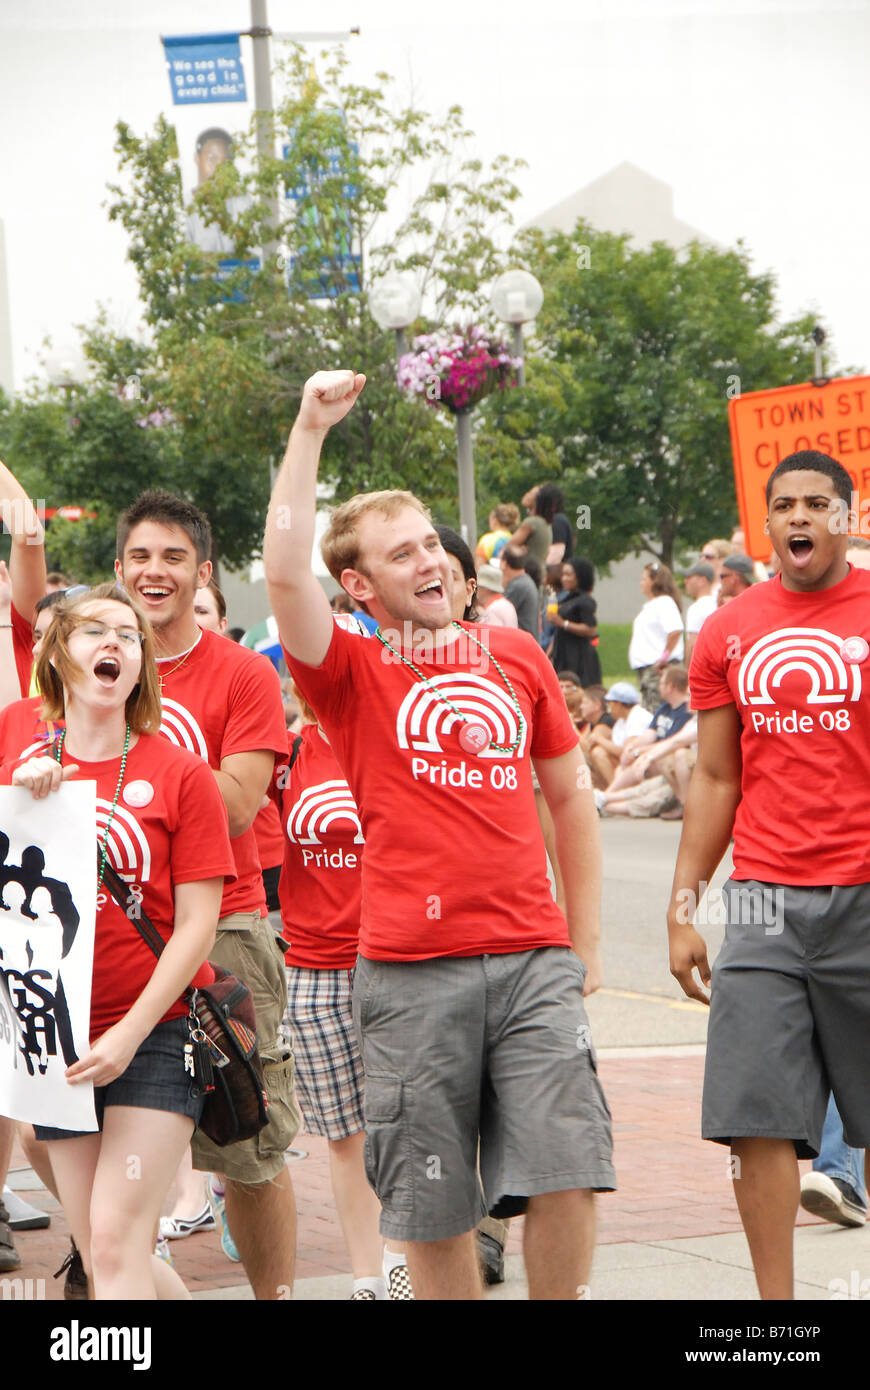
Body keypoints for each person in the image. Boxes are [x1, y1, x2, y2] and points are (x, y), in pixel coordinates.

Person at [264, 369, 615, 1302]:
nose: (428, 560)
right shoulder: (348, 668)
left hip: (534, 958)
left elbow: (569, 800)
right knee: (432, 1199)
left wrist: (582, 941)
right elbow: (283, 569)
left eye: (431, 541)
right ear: (359, 584)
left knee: (568, 1165)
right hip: (412, 971)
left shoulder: (516, 653)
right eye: (400, 552)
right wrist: (308, 432)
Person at [667, 448, 870, 1300]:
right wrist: (685, 904)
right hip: (761, 898)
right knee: (755, 1120)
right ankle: (778, 1320)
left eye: (817, 503)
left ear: (848, 518)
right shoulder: (729, 628)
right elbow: (716, 777)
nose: (798, 518)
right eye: (783, 504)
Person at [2, 583, 235, 1298]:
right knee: (107, 1255)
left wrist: (131, 1035)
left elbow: (198, 924)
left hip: (155, 1035)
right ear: (56, 656)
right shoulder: (20, 769)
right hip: (54, 1038)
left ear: (141, 666)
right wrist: (20, 796)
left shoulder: (181, 775)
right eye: (95, 631)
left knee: (113, 1236)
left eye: (129, 636)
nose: (114, 644)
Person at [114, 491, 299, 1299]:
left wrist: (133, 762)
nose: (156, 572)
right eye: (142, 558)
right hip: (109, 938)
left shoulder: (243, 673)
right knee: (83, 1136)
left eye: (174, 557)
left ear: (204, 573)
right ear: (119, 570)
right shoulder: (89, 663)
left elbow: (236, 806)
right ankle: (138, 1284)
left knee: (248, 1147)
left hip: (223, 931)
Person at [275, 685, 413, 1298]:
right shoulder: (285, 757)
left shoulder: (396, 743)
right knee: (345, 1132)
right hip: (311, 966)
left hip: (397, 958)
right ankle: (365, 1275)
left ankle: (402, 1256)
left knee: (408, 1120)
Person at [628, 561, 684, 711]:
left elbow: (675, 631)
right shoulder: (650, 606)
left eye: (644, 579)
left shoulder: (664, 602)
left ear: (655, 581)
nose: (641, 582)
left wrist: (663, 658)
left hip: (656, 668)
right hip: (645, 668)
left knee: (654, 709)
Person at [548, 559, 601, 686]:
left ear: (579, 576)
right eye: (563, 574)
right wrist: (548, 654)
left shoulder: (585, 601)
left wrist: (563, 623)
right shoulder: (568, 598)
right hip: (563, 652)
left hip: (579, 656)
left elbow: (591, 629)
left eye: (568, 575)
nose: (564, 578)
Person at [681, 562, 717, 666]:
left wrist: (688, 671)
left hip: (702, 664)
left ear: (702, 581)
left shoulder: (697, 608)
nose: (685, 581)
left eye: (689, 578)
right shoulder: (718, 604)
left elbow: (693, 643)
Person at [500, 547, 539, 636]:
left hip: (523, 642)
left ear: (504, 563)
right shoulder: (524, 581)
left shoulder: (518, 585)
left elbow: (497, 608)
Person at [475, 564, 518, 628]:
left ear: (486, 587)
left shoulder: (493, 610)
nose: (476, 589)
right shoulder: (504, 604)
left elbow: (489, 636)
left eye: (478, 586)